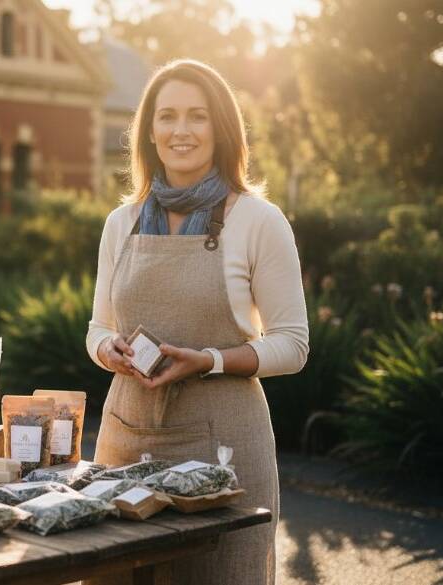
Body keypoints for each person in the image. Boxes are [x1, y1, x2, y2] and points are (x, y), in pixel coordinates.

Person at [86, 60, 308, 585]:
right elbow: (97, 327)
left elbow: (293, 345)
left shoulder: (257, 220)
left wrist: (208, 361)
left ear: (221, 129)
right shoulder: (122, 222)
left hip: (224, 446)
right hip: (126, 439)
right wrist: (106, 350)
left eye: (197, 117)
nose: (180, 131)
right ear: (149, 131)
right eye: (167, 117)